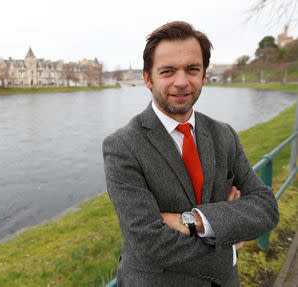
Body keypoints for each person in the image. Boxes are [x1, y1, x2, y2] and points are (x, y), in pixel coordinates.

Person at [102, 21, 279, 287]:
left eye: (192, 69)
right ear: (148, 78)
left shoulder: (224, 134)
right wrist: (229, 243)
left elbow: (266, 207)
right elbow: (150, 243)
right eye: (168, 71)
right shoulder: (122, 146)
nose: (182, 82)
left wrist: (194, 220)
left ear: (204, 75)